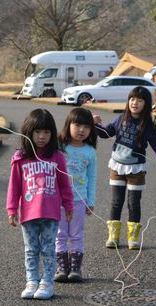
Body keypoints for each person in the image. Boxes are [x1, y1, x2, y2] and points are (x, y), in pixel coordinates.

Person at [93, 86, 156, 250]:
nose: (135, 102)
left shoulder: (147, 125)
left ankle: (132, 238)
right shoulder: (120, 119)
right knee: (116, 202)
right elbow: (106, 133)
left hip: (136, 169)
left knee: (134, 203)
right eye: (132, 99)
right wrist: (96, 125)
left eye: (140, 100)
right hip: (117, 166)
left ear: (146, 104)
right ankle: (113, 237)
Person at [6, 108, 74, 299]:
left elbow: (64, 185)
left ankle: (47, 283)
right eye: (37, 132)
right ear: (28, 132)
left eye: (46, 132)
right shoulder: (20, 158)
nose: (42, 136)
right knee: (31, 250)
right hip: (28, 214)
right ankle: (32, 281)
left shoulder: (57, 157)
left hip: (51, 214)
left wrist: (68, 205)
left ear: (52, 133)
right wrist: (11, 209)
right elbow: (14, 186)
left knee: (48, 249)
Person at [55, 107, 97, 283]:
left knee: (77, 234)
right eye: (77, 125)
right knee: (60, 234)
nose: (81, 130)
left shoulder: (90, 152)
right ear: (68, 125)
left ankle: (75, 268)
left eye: (86, 127)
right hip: (59, 201)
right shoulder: (60, 148)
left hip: (80, 201)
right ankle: (61, 268)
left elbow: (92, 177)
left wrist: (91, 200)